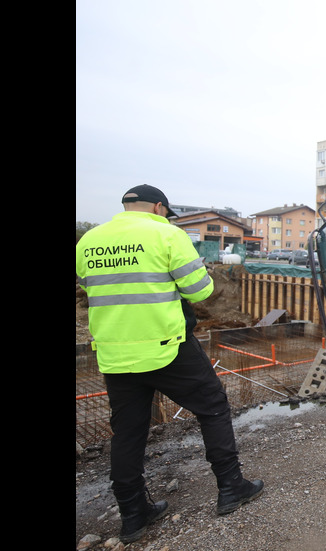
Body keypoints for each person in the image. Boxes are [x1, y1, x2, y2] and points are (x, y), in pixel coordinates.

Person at [76, 185, 263, 544]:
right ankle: (231, 487)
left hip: (115, 354)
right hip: (167, 347)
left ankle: (133, 516)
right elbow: (200, 291)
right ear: (159, 208)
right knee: (212, 408)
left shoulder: (90, 241)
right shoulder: (166, 234)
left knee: (128, 432)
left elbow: (91, 287)